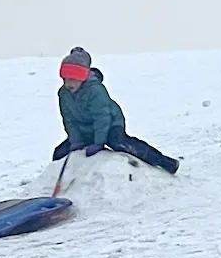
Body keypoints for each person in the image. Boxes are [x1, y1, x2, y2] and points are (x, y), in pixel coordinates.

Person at [54, 47, 180, 175]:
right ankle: (52, 180)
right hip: (86, 129)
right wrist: (76, 140)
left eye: (73, 79)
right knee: (60, 152)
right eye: (66, 79)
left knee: (120, 143)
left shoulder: (96, 91)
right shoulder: (64, 94)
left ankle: (164, 162)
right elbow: (68, 119)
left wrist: (99, 143)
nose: (69, 83)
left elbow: (102, 118)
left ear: (82, 77)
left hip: (110, 125)